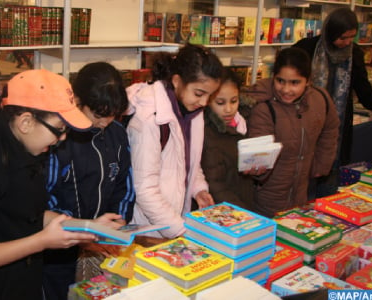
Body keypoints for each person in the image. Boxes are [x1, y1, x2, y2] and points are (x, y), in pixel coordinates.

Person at [0, 69, 102, 300]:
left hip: (20, 284)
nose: (62, 138)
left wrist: (88, 227)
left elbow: (26, 213)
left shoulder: (25, 148)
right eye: (59, 129)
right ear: (26, 121)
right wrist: (42, 241)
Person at [42, 62, 135, 300]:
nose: (104, 122)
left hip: (103, 242)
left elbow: (125, 185)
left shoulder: (116, 133)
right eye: (97, 115)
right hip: (58, 247)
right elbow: (45, 198)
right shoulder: (60, 137)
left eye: (112, 115)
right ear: (77, 100)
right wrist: (82, 229)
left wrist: (118, 224)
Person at [293, 7, 372, 198]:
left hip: (336, 134)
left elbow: (365, 94)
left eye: (351, 37)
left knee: (328, 188)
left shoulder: (356, 55)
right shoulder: (306, 48)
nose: (346, 43)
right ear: (330, 32)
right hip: (304, 128)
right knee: (301, 187)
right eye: (342, 37)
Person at [126, 43, 224, 238]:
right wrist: (181, 230)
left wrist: (198, 189)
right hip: (146, 230)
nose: (204, 102)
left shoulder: (191, 109)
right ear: (177, 81)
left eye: (209, 95)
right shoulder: (149, 117)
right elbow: (145, 189)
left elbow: (186, 159)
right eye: (199, 93)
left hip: (173, 221)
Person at [244, 47, 340, 218]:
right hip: (268, 195)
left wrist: (321, 163)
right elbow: (259, 152)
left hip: (302, 191)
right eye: (280, 81)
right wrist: (257, 168)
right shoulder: (264, 107)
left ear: (308, 81)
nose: (286, 89)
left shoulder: (320, 99)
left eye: (295, 82)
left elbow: (330, 129)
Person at [201, 67, 255, 209]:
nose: (229, 109)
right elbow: (214, 184)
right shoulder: (206, 132)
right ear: (207, 100)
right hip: (224, 210)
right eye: (220, 103)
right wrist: (242, 212)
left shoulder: (245, 122)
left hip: (244, 201)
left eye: (234, 101)